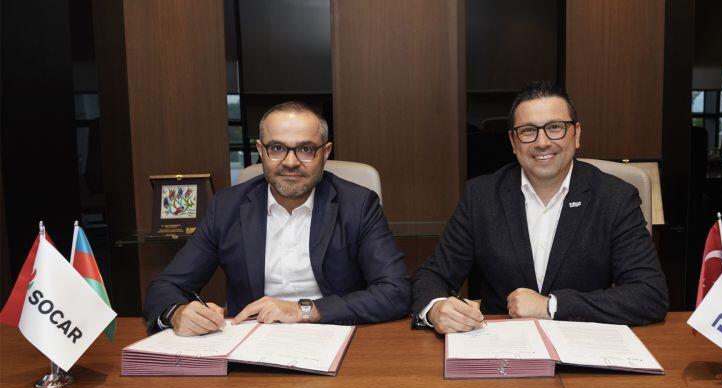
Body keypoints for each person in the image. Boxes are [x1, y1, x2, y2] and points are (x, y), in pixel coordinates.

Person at [413, 81, 668, 334]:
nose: (542, 142)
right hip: (502, 346)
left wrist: (551, 306)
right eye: (528, 131)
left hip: (583, 345)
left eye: (555, 127)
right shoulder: (482, 197)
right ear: (513, 142)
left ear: (577, 134)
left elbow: (649, 294)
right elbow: (432, 276)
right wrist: (436, 309)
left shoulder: (614, 198)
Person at [144, 101, 410, 335]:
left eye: (306, 149)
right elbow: (166, 286)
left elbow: (396, 291)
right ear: (261, 150)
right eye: (277, 148)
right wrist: (177, 313)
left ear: (325, 152)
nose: (291, 162)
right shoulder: (227, 207)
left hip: (333, 333)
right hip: (251, 341)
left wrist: (306, 310)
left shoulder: (358, 205)